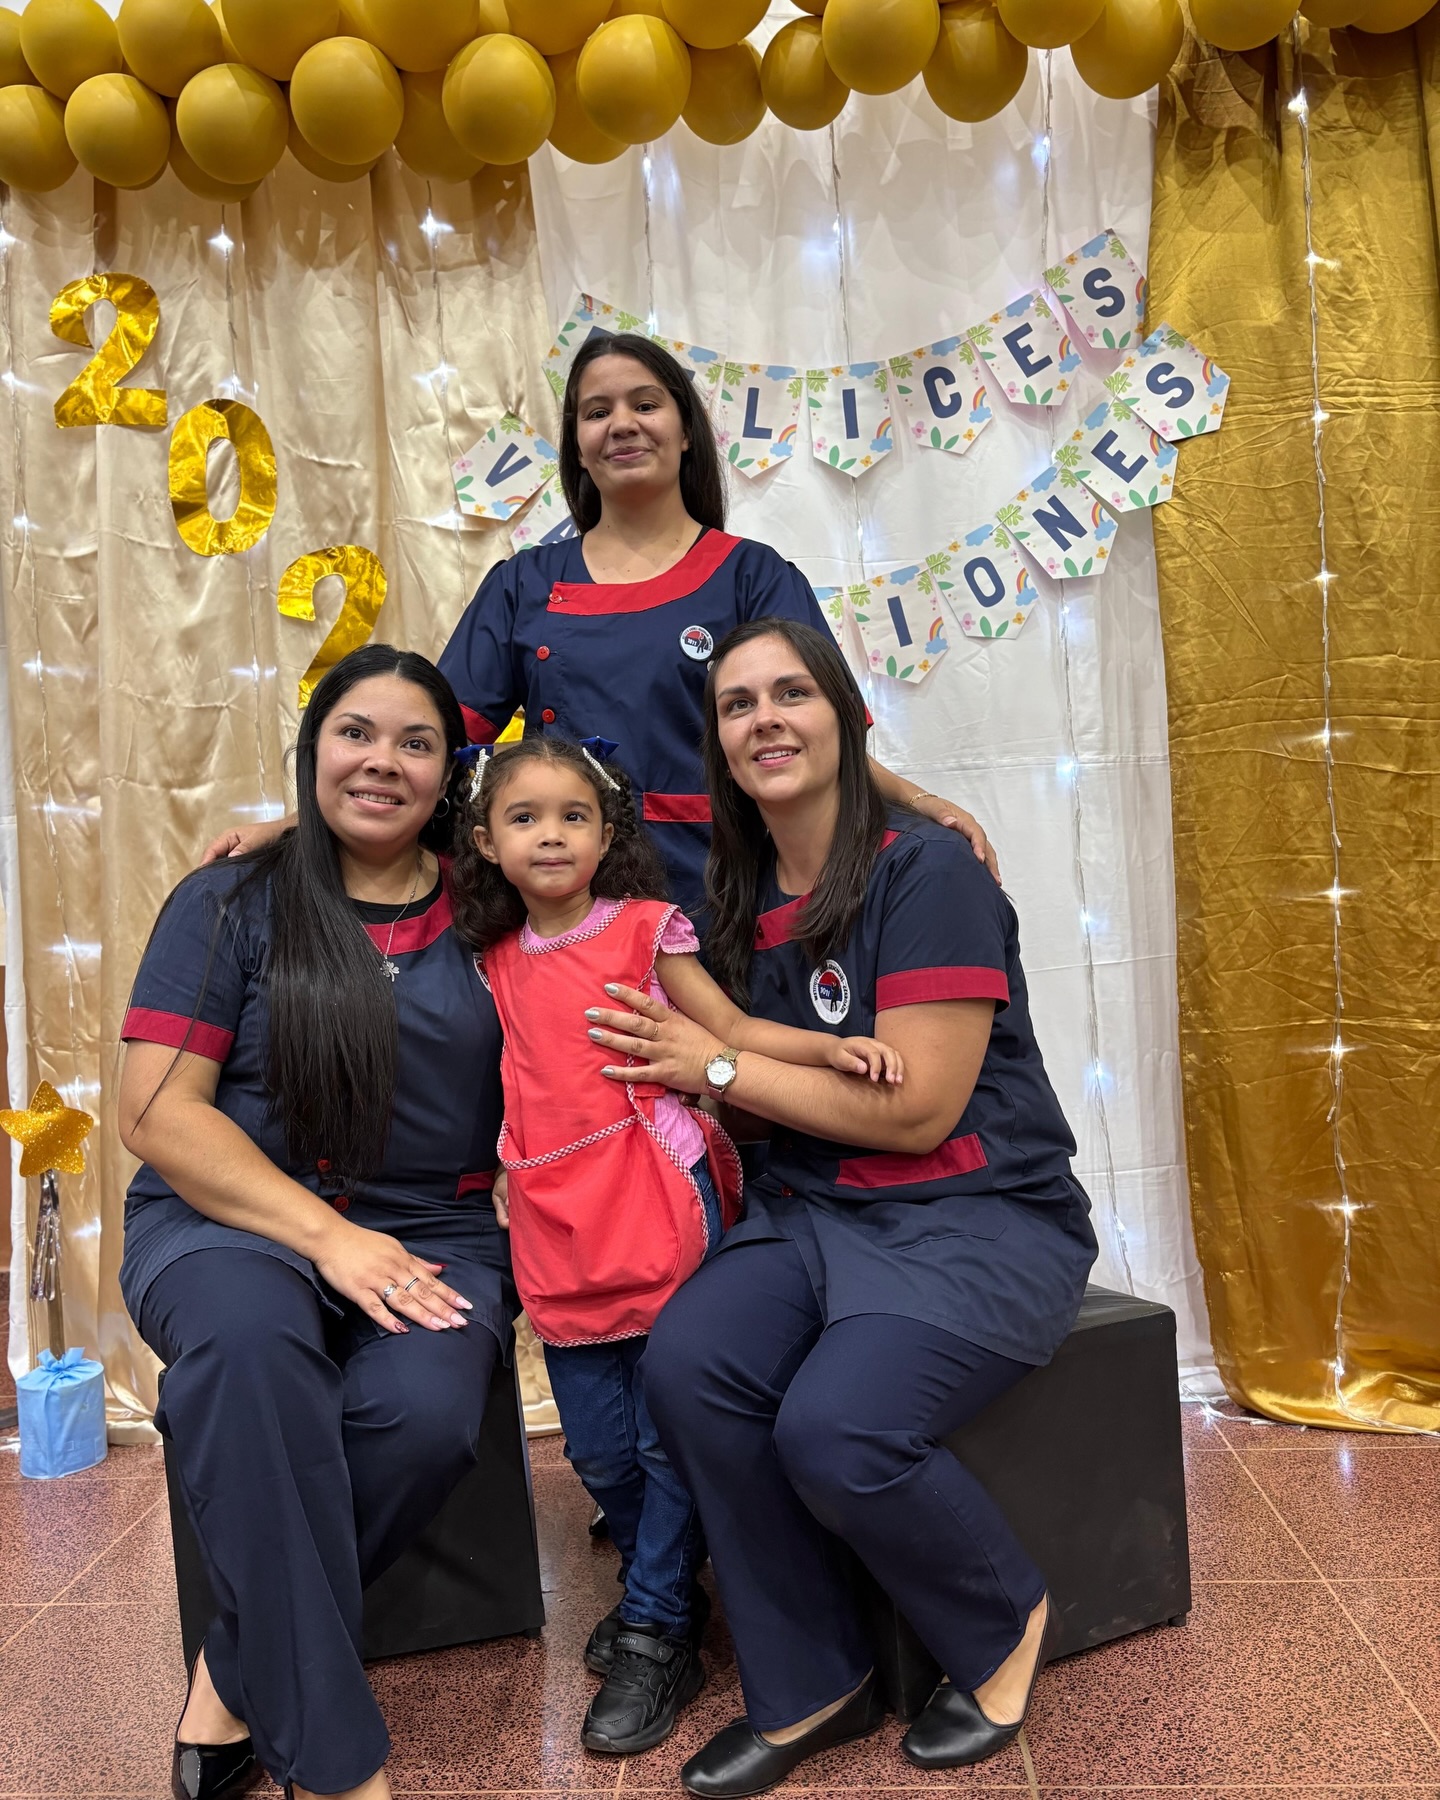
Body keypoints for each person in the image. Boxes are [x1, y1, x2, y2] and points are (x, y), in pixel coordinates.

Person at [583, 620, 1099, 1796]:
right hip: (817, 1209)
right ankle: (810, 1676)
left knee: (837, 1431)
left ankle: (1002, 1620)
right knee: (689, 1364)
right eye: (737, 704)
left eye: (792, 694)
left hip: (975, 1211)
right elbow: (763, 1089)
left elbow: (917, 1113)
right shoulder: (731, 894)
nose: (765, 718)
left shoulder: (929, 872)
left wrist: (716, 1066)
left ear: (848, 719)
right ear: (717, 743)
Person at [448, 733, 906, 1758]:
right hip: (555, 1218)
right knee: (602, 1449)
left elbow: (730, 1029)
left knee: (670, 1434)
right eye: (525, 818)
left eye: (573, 815)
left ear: (607, 830)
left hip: (652, 1189)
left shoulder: (644, 929)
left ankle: (657, 1620)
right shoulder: (492, 960)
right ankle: (661, 1581)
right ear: (485, 842)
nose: (551, 836)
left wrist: (829, 1046)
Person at [118, 647, 513, 1800]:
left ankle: (233, 1672)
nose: (382, 762)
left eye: (415, 743)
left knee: (429, 1414)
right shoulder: (228, 901)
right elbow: (157, 1114)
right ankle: (338, 1768)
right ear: (312, 749)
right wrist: (330, 1241)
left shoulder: (496, 908)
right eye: (356, 734)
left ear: (451, 774)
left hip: (434, 1230)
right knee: (250, 1348)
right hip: (227, 1219)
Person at [202, 334, 996, 903]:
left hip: (732, 896)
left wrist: (921, 803)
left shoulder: (753, 577)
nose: (622, 424)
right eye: (596, 411)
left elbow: (822, 743)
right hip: (567, 906)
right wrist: (299, 825)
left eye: (645, 404)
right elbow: (431, 746)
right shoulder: (524, 585)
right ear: (577, 447)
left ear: (686, 433)